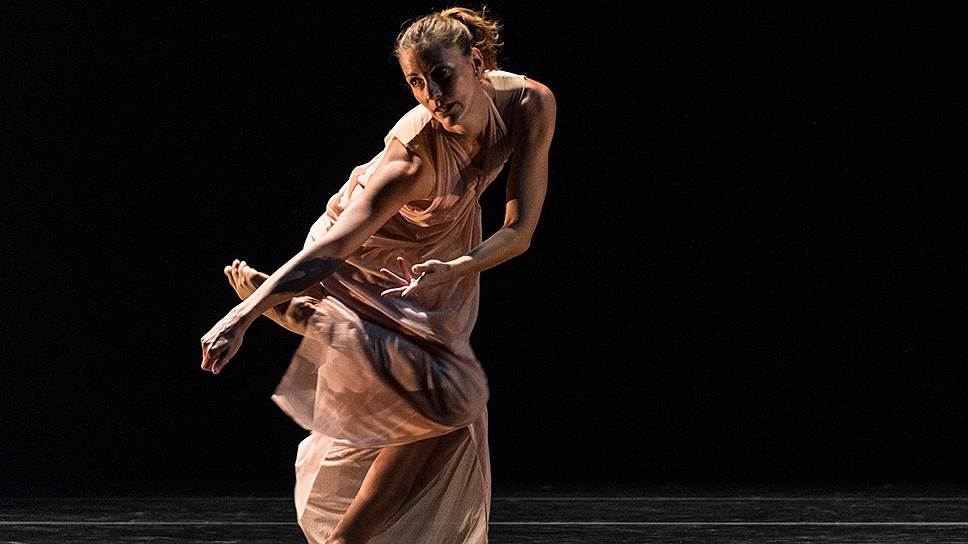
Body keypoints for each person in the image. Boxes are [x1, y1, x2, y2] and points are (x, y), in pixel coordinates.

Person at [200, 6, 555, 543]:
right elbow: (334, 247)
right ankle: (316, 313)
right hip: (367, 250)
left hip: (440, 248)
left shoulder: (530, 103)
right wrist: (240, 316)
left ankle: (323, 323)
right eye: (416, 83)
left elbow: (521, 230)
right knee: (444, 400)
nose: (432, 95)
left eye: (441, 74)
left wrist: (457, 267)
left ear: (477, 63)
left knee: (447, 414)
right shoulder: (411, 161)